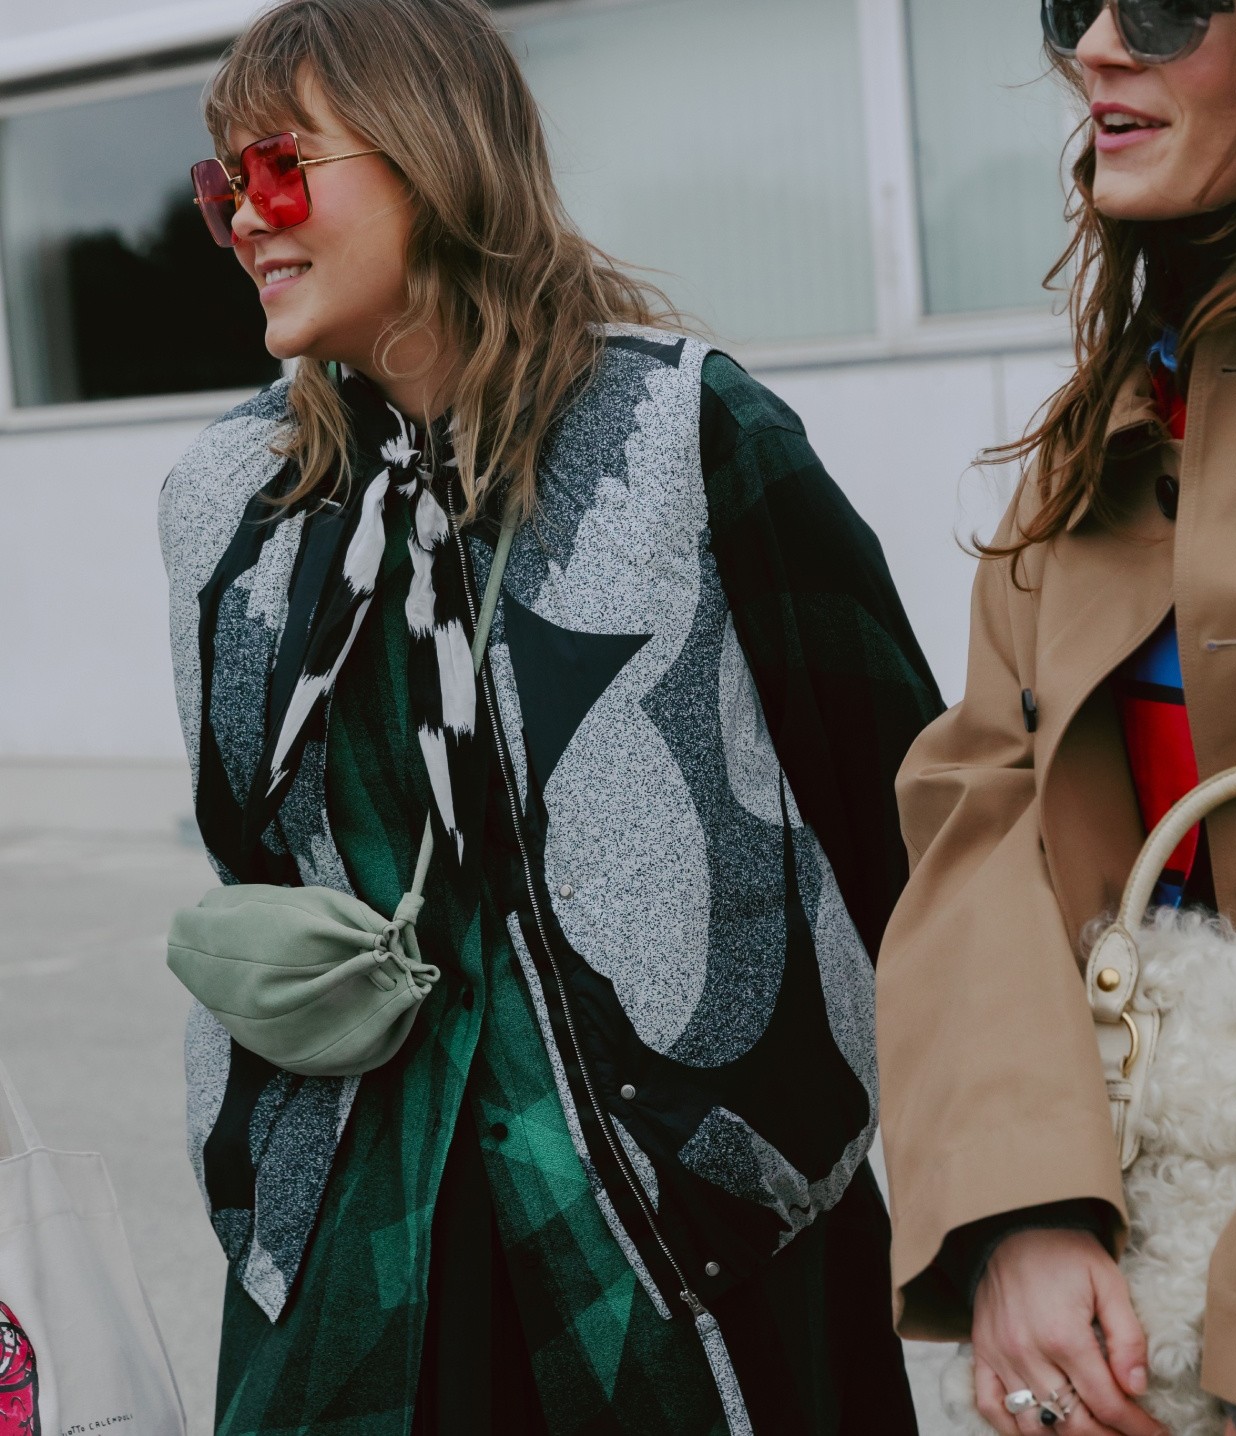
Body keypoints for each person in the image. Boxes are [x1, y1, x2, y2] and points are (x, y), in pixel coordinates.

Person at [158, 1, 942, 1431]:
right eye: (221, 190)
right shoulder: (229, 506)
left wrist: (1010, 1200)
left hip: (692, 1230)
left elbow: (917, 836)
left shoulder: (688, 434)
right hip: (357, 1232)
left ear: (432, 154)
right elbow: (248, 855)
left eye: (279, 167)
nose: (242, 221)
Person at [876, 1, 1236, 1434]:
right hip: (1133, 1326)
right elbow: (978, 805)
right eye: (1076, 4)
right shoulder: (1104, 427)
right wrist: (1022, 1212)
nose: (1100, 48)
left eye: (1174, 5)